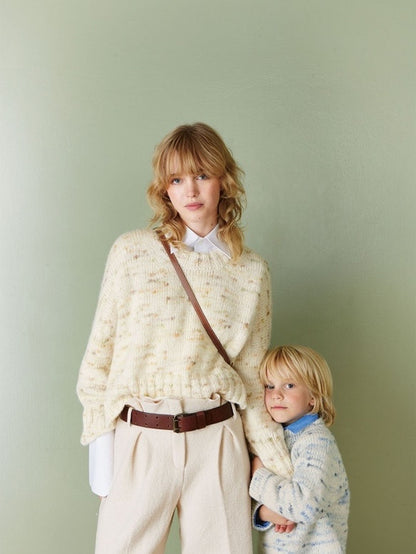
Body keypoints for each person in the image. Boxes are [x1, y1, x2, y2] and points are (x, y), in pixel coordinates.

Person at [77, 122, 293, 554]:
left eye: (202, 175)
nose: (189, 190)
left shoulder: (252, 271)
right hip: (141, 437)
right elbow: (99, 360)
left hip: (219, 440)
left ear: (223, 181)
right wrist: (101, 454)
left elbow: (253, 382)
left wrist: (282, 475)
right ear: (164, 189)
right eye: (176, 179)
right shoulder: (132, 252)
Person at [250, 345, 350, 553]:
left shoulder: (316, 442)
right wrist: (265, 513)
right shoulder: (274, 438)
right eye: (269, 386)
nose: (276, 395)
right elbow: (274, 505)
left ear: (313, 396)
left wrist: (258, 474)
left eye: (289, 385)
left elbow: (302, 506)